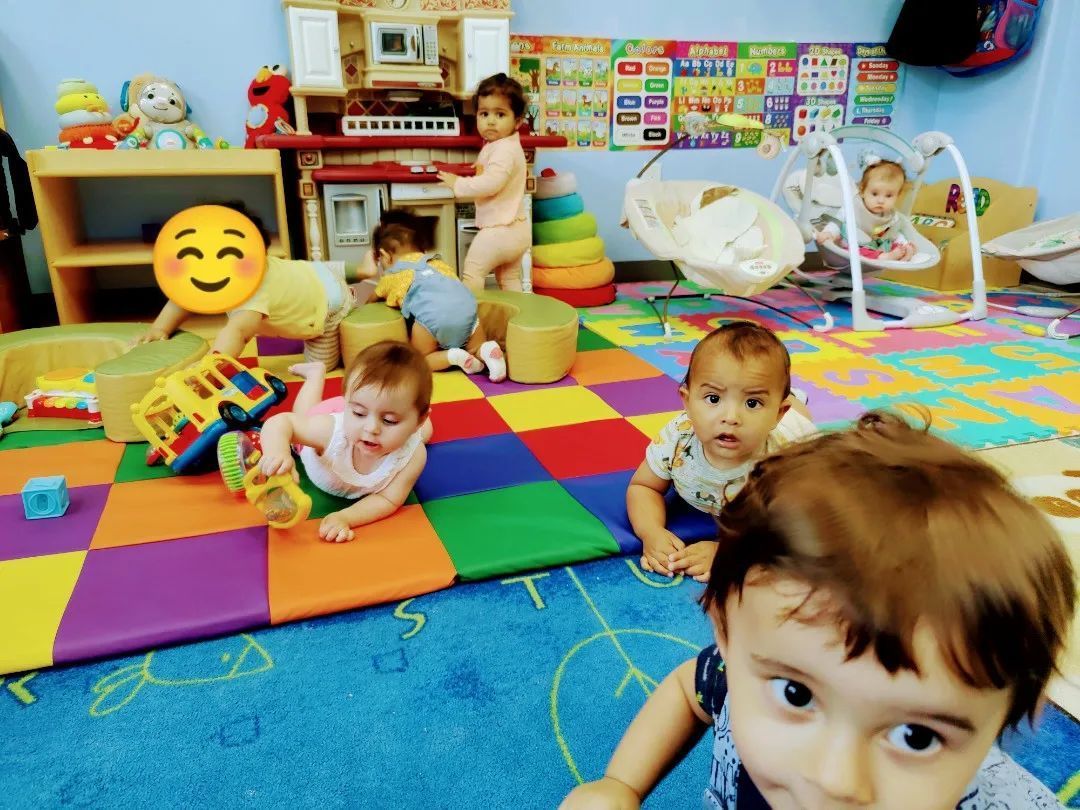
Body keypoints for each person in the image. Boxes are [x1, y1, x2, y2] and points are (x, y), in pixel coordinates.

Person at [563, 411, 1075, 809]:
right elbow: (689, 689)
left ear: (1012, 714)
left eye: (916, 737)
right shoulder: (741, 675)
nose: (835, 780)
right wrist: (620, 783)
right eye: (797, 694)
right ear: (727, 632)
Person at [627, 322, 815, 581]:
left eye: (752, 403)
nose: (731, 417)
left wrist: (730, 552)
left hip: (798, 431)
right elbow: (643, 487)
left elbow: (791, 530)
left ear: (777, 415)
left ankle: (794, 401)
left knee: (803, 419)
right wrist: (650, 531)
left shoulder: (781, 461)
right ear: (687, 402)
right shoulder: (677, 438)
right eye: (713, 399)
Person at [136, 202, 354, 371]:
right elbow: (183, 298)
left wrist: (213, 365)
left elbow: (238, 332)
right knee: (313, 272)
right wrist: (160, 328)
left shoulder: (255, 294)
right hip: (308, 272)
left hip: (326, 306)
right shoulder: (211, 275)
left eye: (226, 255)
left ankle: (351, 299)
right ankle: (349, 272)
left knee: (320, 367)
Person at [257, 341, 433, 543]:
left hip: (386, 416)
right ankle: (315, 375)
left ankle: (387, 414)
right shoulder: (328, 432)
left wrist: (345, 517)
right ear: (348, 403)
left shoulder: (414, 456)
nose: (371, 428)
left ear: (419, 419)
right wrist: (277, 453)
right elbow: (281, 422)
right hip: (323, 427)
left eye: (389, 420)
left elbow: (388, 499)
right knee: (305, 413)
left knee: (426, 433)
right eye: (358, 412)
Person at [363, 210, 506, 383]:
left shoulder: (392, 275)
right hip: (468, 311)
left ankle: (453, 356)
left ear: (385, 256)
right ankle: (486, 350)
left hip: (432, 320)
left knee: (422, 359)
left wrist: (365, 306)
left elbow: (374, 298)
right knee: (475, 345)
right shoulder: (438, 263)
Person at [437, 72, 530, 293]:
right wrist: (479, 169)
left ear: (517, 121)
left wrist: (458, 183)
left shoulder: (504, 150)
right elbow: (495, 171)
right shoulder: (501, 144)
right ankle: (517, 322)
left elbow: (492, 183)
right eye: (484, 113)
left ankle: (471, 322)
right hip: (517, 229)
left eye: (500, 114)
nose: (490, 121)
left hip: (501, 230)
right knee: (509, 279)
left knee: (473, 273)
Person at [815, 157, 917, 261]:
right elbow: (837, 223)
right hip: (853, 248)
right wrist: (829, 233)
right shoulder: (853, 208)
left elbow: (893, 234)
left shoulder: (891, 216)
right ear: (862, 191)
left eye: (889, 195)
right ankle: (884, 257)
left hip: (877, 245)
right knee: (855, 251)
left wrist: (903, 243)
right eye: (875, 194)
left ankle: (906, 250)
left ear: (897, 196)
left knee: (896, 239)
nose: (881, 200)